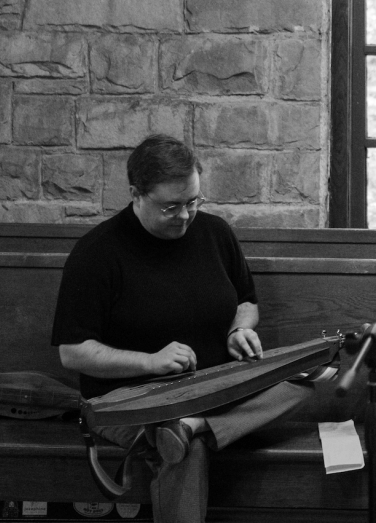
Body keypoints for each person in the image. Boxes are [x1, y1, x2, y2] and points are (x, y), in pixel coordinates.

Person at [51, 134, 317, 523]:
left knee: (313, 373)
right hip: (128, 401)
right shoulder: (97, 253)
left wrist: (238, 330)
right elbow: (71, 351)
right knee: (183, 452)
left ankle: (193, 426)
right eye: (170, 206)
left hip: (213, 387)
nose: (185, 215)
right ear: (135, 194)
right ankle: (188, 432)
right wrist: (150, 362)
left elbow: (247, 301)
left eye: (193, 201)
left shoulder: (215, 232)